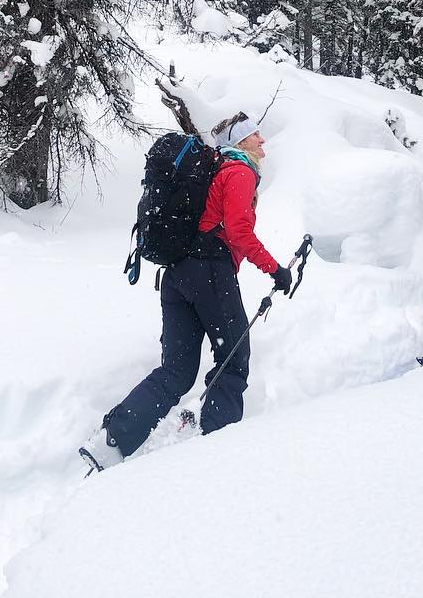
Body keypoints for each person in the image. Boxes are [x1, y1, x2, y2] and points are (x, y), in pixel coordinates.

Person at [81, 113, 289, 470]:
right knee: (233, 361)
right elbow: (239, 233)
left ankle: (112, 440)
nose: (263, 141)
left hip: (179, 275)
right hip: (210, 273)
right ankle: (218, 448)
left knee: (176, 371)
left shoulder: (215, 171)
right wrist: (275, 269)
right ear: (241, 142)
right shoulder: (238, 172)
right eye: (256, 135)